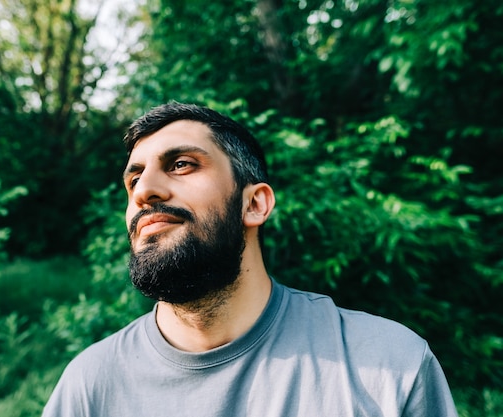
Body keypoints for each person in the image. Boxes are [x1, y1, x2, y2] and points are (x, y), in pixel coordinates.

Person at [42, 103, 458, 416]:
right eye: (133, 178)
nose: (143, 190)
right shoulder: (89, 385)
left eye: (182, 164)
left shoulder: (389, 366)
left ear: (255, 204)